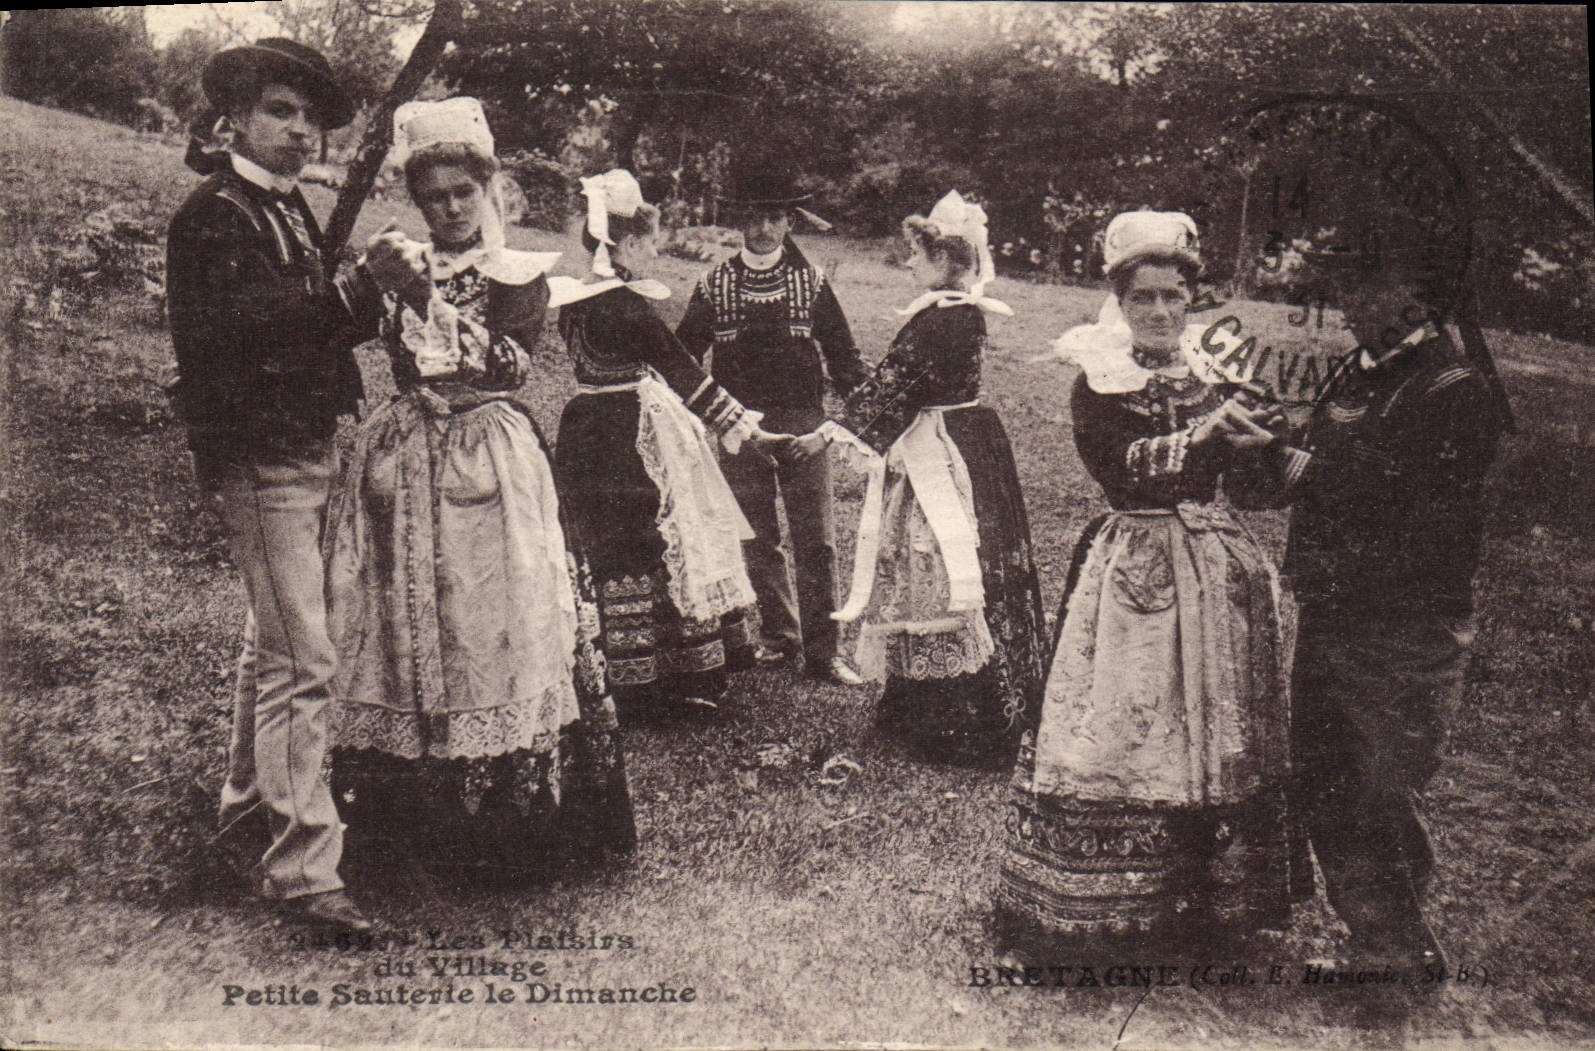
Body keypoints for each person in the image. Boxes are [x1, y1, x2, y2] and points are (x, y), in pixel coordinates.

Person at [322, 99, 635, 882]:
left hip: (490, 460)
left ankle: (506, 825)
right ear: (417, 200)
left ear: (489, 191)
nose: (452, 208)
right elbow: (326, 330)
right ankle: (398, 820)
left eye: (464, 192)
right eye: (435, 196)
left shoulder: (516, 272)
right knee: (395, 622)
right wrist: (368, 282)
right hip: (401, 460)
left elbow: (507, 366)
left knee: (494, 621)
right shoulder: (394, 262)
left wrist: (423, 296)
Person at [994, 211, 1307, 946]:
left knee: (1217, 725)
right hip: (1135, 570)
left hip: (1219, 569)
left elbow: (1259, 489)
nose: (1161, 311)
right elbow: (1116, 465)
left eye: (1174, 296)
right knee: (1127, 723)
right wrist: (1200, 433)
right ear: (1119, 301)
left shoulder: (1216, 374)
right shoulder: (1098, 380)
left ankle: (1211, 903)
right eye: (1144, 298)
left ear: (1191, 299)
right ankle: (1104, 902)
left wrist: (1268, 442)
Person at [165, 38, 374, 932]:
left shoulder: (284, 212)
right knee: (303, 656)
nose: (299, 131)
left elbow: (311, 331)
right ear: (236, 120)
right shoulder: (214, 216)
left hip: (303, 445)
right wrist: (349, 297)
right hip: (257, 454)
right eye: (281, 111)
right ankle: (302, 867)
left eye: (310, 119)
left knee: (273, 639)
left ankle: (246, 808)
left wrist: (361, 304)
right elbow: (240, 337)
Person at [1272, 246, 1506, 975]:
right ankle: (1378, 937)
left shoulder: (1454, 389)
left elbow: (1406, 505)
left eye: (1359, 285)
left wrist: (1296, 465)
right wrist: (1270, 440)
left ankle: (1396, 941)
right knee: (1325, 768)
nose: (1341, 302)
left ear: (1413, 292)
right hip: (1334, 606)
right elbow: (1321, 456)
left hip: (1405, 621)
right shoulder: (1360, 367)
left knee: (1377, 776)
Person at [789, 192, 1048, 763]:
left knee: (938, 564)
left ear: (944, 259)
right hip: (960, 441)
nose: (909, 265)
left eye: (918, 254)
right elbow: (894, 387)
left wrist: (824, 436)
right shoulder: (957, 313)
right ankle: (926, 700)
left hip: (946, 449)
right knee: (930, 566)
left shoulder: (943, 320)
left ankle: (960, 714)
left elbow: (894, 388)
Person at [550, 170, 780, 716]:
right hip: (627, 435)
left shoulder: (576, 302)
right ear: (628, 243)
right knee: (654, 539)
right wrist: (744, 429)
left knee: (607, 543)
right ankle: (663, 677)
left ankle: (615, 665)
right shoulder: (627, 308)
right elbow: (686, 375)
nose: (654, 249)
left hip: (584, 425)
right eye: (649, 239)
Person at [675, 159, 869, 685]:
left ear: (790, 223)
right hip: (739, 428)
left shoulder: (812, 283)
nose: (762, 230)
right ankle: (779, 637)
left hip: (805, 427)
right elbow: (683, 358)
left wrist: (858, 419)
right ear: (740, 222)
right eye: (754, 219)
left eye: (774, 219)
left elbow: (845, 358)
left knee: (817, 540)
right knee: (756, 539)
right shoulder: (714, 285)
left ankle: (825, 652)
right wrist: (709, 419)